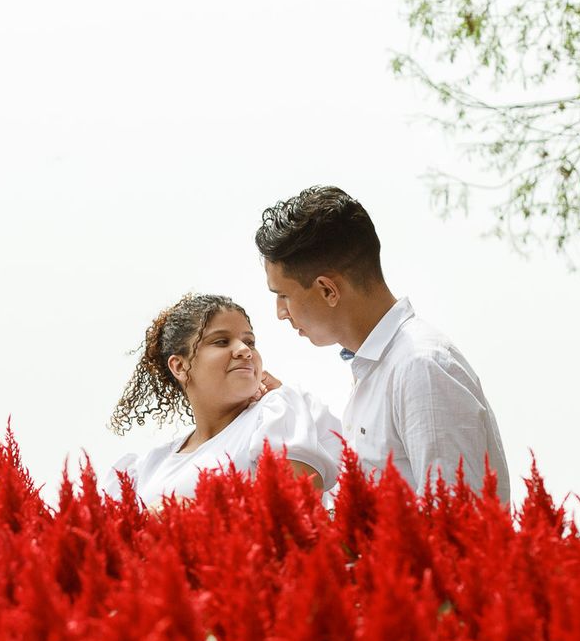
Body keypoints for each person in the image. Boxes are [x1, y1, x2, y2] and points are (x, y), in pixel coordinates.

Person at [256, 186, 510, 503]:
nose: (281, 313)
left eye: (283, 295)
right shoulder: (379, 369)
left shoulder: (420, 366)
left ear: (327, 290)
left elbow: (457, 519)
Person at [110, 293, 345, 503]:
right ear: (180, 366)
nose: (244, 350)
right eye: (221, 341)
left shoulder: (275, 413)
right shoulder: (149, 466)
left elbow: (297, 512)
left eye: (250, 342)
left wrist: (181, 514)